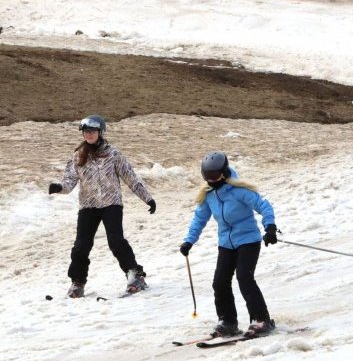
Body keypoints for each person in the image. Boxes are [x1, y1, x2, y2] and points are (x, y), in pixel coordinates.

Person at [48, 115, 155, 298]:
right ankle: (77, 283)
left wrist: (148, 198)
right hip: (88, 206)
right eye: (85, 131)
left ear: (100, 132)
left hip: (111, 203)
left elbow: (130, 177)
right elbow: (69, 181)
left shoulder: (113, 154)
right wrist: (59, 188)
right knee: (81, 246)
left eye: (92, 131)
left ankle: (136, 276)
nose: (88, 134)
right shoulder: (77, 156)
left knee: (116, 241)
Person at [180, 152, 279, 338]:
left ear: (224, 173)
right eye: (207, 177)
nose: (211, 180)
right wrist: (189, 241)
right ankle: (228, 322)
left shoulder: (240, 190)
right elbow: (199, 219)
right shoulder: (208, 194)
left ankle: (261, 319)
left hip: (248, 241)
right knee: (220, 282)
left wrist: (270, 228)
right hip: (226, 244)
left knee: (244, 277)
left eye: (215, 176)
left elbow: (264, 206)